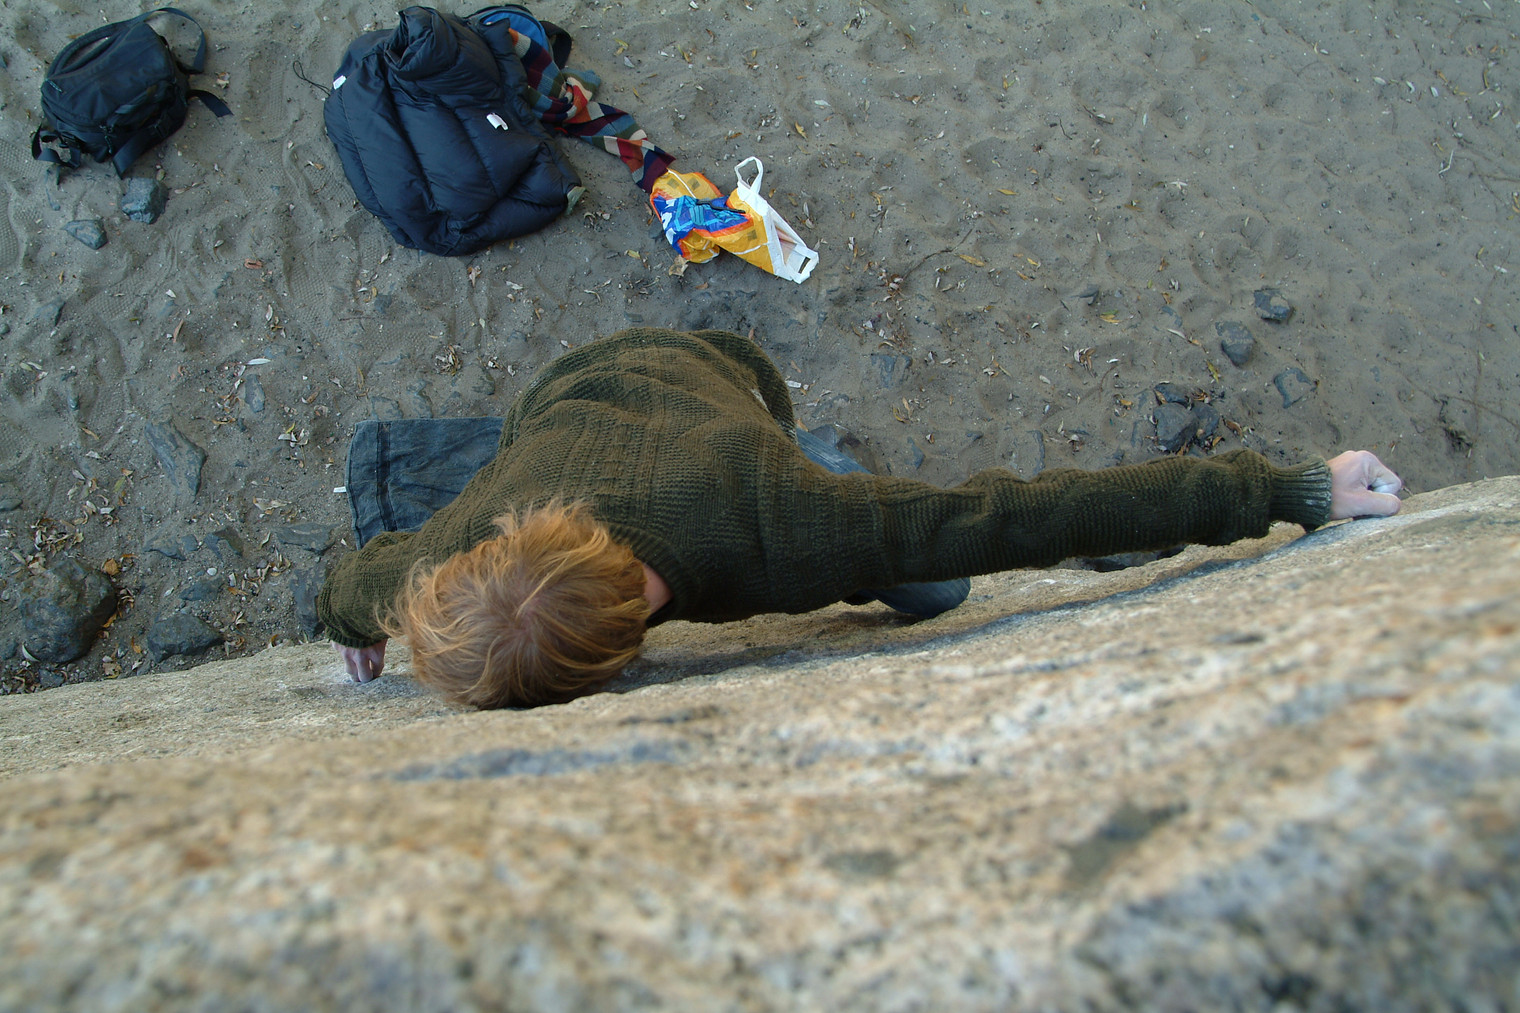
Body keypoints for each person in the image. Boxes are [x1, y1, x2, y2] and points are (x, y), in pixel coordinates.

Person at [318, 327, 1403, 707]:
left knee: (939, 577)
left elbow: (1023, 514)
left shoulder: (782, 534)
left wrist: (1289, 489)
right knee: (893, 551)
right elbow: (348, 591)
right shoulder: (441, 560)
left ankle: (827, 471)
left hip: (727, 374)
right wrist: (347, 625)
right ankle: (831, 480)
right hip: (561, 394)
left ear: (624, 653)